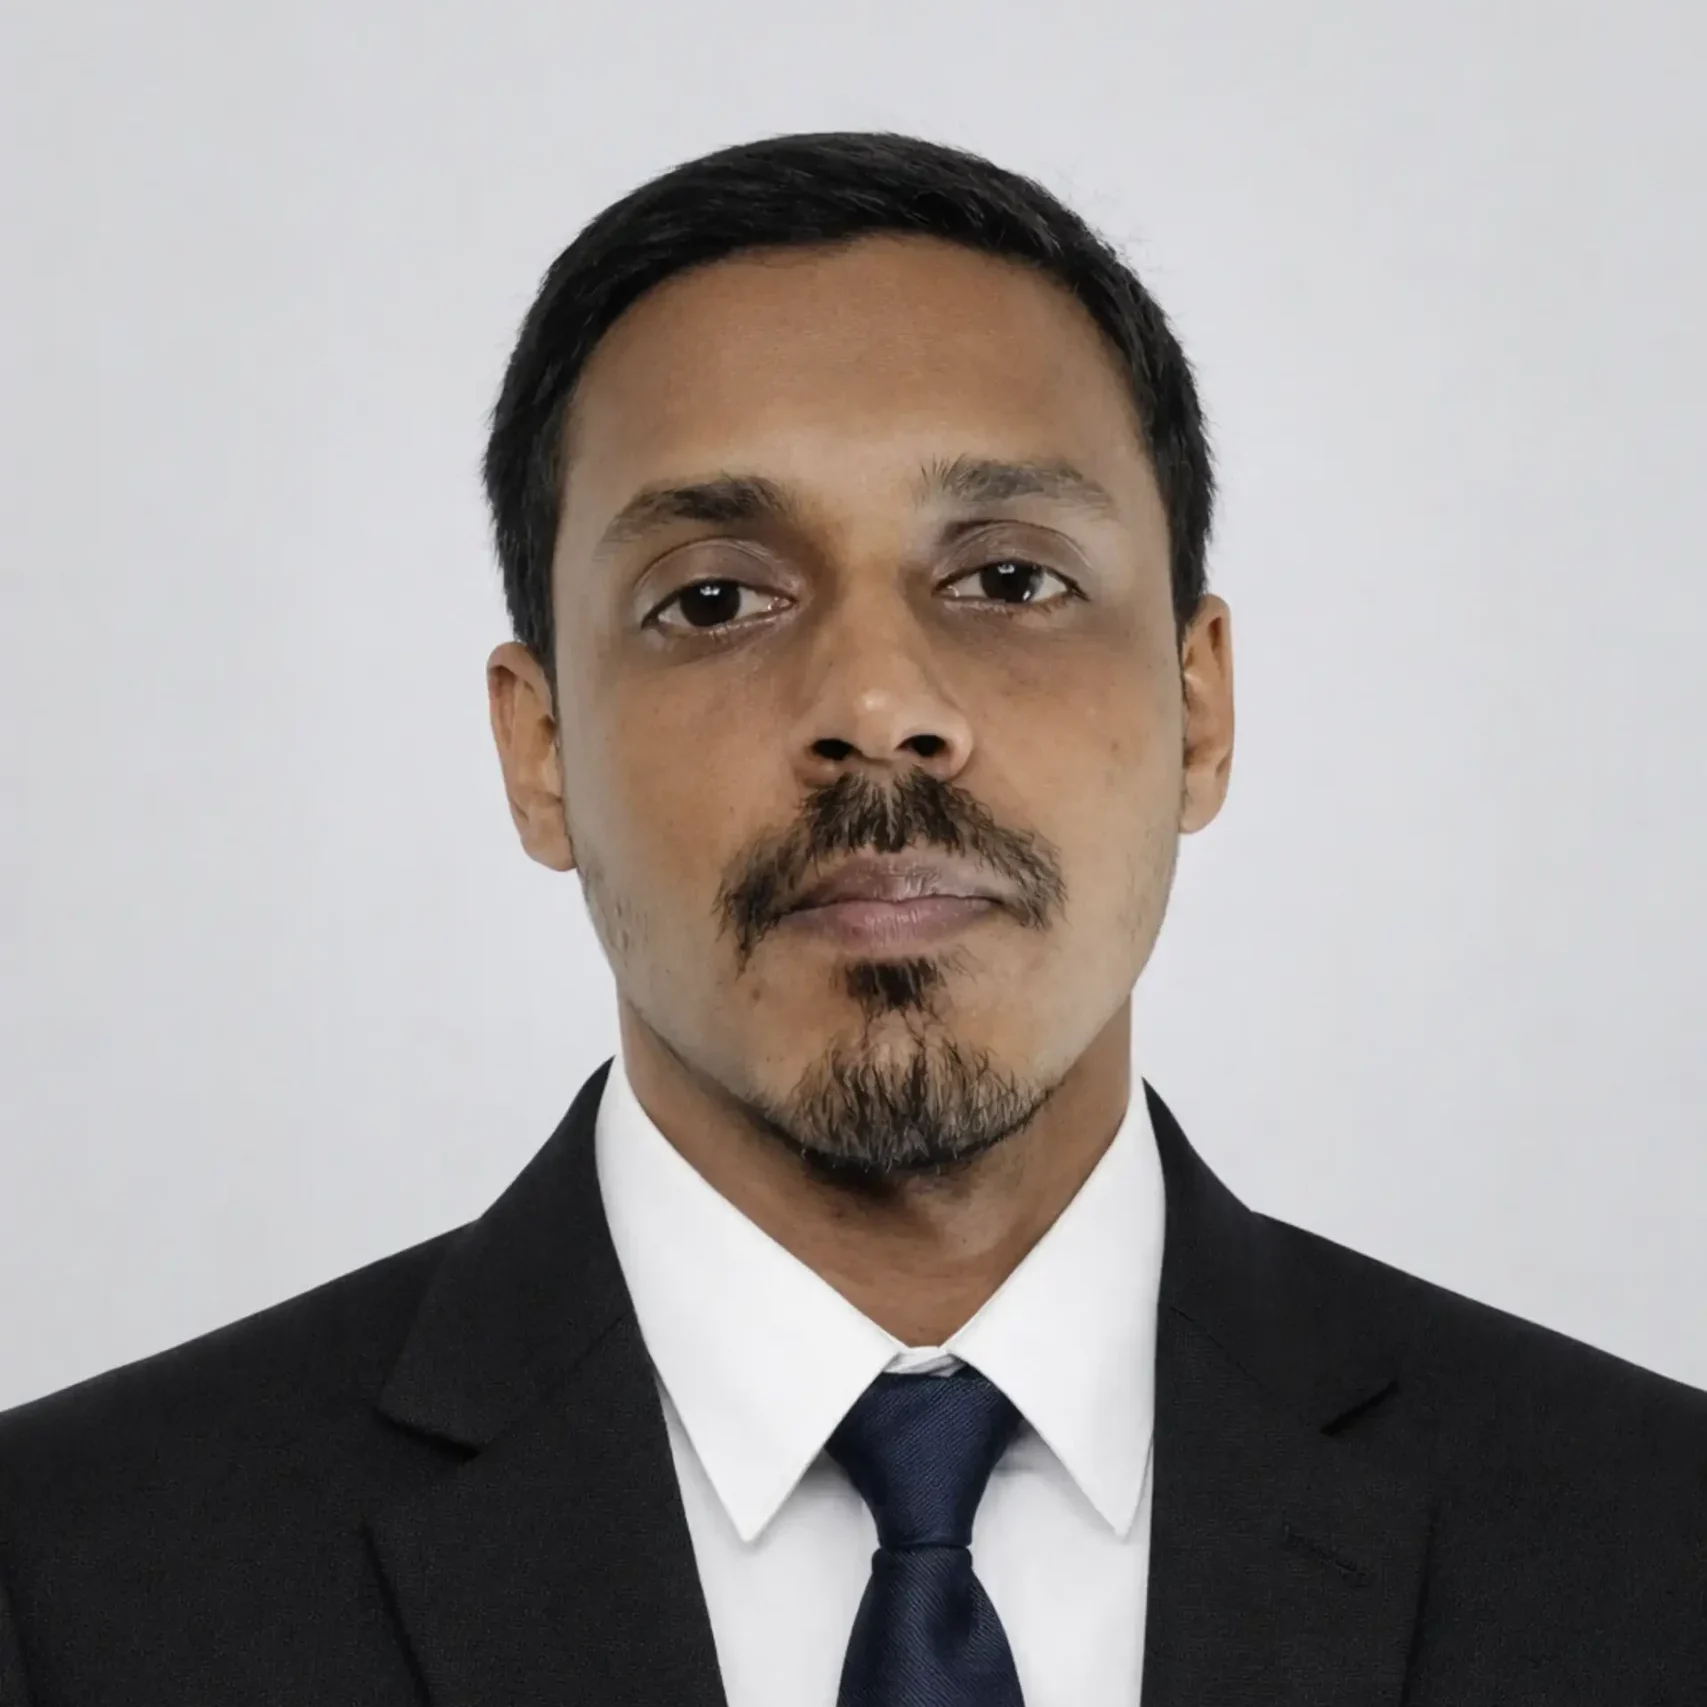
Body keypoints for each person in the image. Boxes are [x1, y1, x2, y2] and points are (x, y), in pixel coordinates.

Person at [1, 129, 1702, 1707]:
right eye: (714, 598)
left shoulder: (1653, 1547)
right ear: (539, 752)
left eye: (1009, 578)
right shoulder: (74, 1583)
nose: (879, 706)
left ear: (1199, 707)